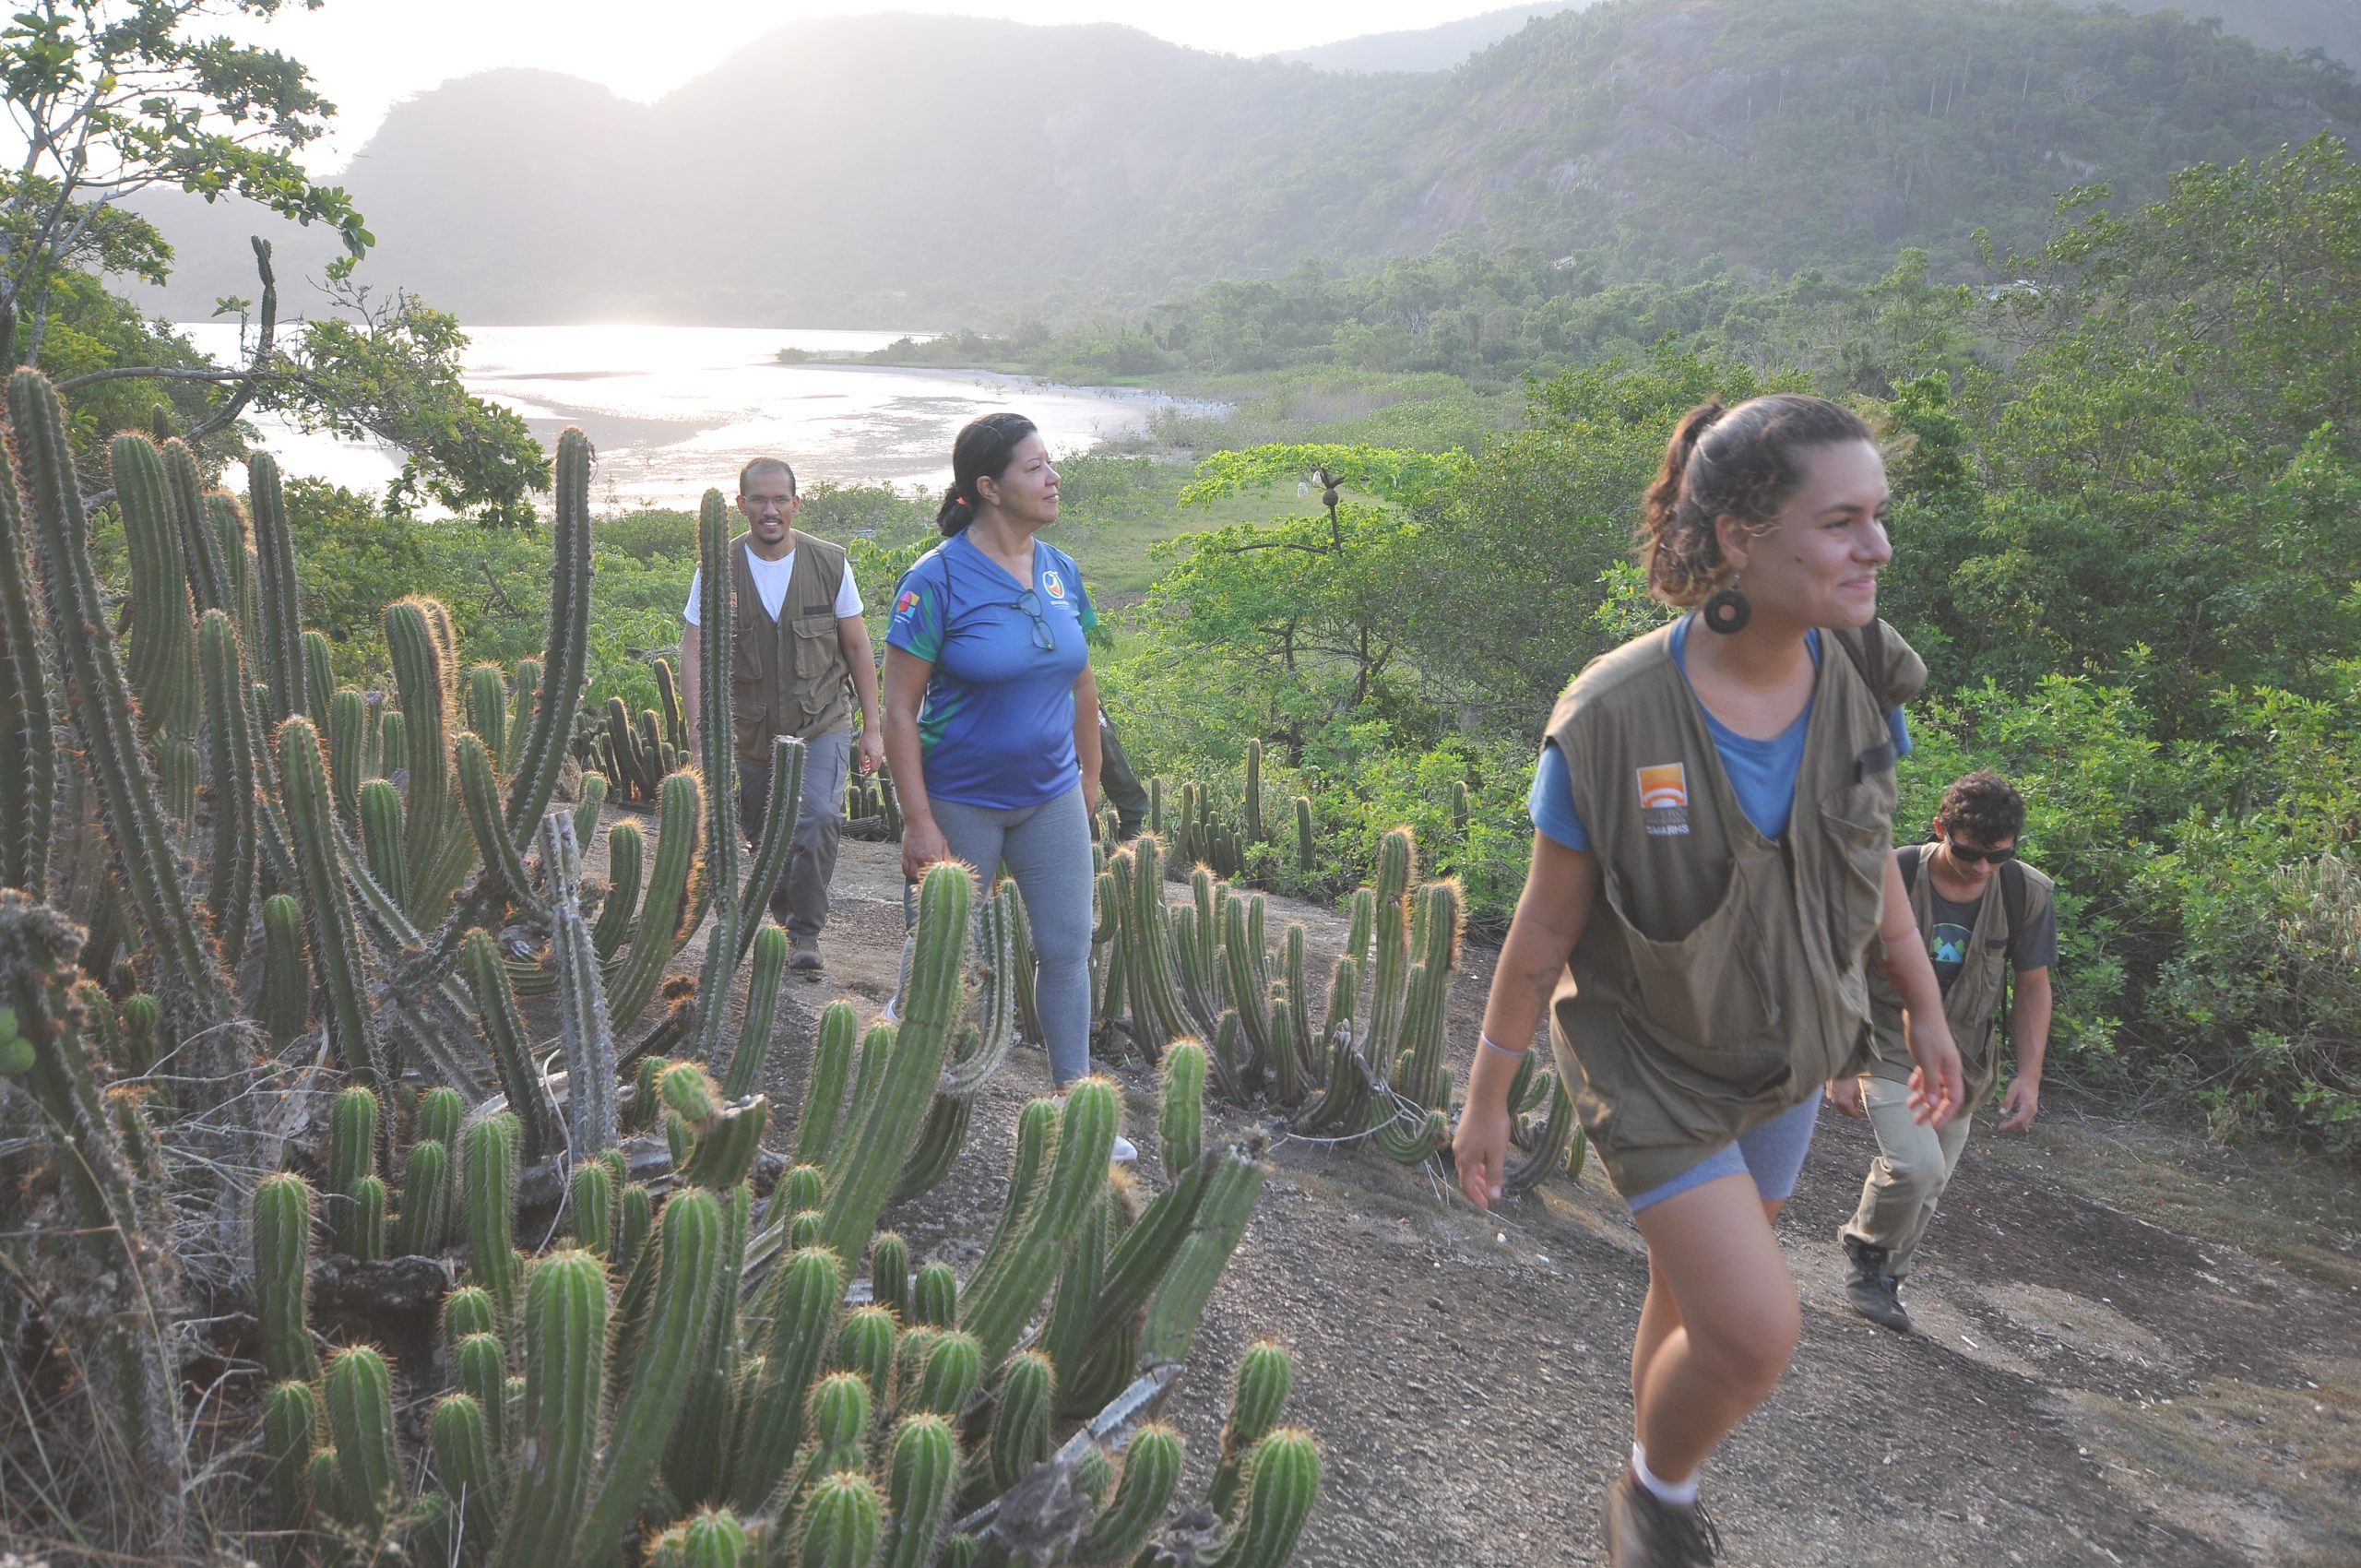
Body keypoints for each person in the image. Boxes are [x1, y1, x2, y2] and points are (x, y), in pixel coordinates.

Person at [1450, 394, 1965, 1568]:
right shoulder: (1612, 713)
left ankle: (1652, 1491)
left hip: (1787, 1051)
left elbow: (1868, 852)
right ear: (1740, 535)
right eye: (1841, 521)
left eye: (1878, 517)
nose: (1876, 547)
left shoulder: (1856, 677)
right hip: (1653, 1061)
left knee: (1689, 1304)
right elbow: (1542, 924)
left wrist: (1920, 1007)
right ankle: (1654, 1495)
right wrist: (1486, 1090)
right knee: (1749, 1332)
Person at [880, 412, 1135, 1163]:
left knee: (1065, 947)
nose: (1053, 478)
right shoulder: (935, 580)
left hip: (1051, 795)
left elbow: (1083, 680)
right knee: (943, 954)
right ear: (988, 488)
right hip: (961, 799)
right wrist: (917, 819)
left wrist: (1089, 776)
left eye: (1050, 463)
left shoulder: (1060, 567)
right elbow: (899, 708)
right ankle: (900, 1088)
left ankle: (1075, 1111)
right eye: (1034, 468)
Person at [1828, 768, 2057, 1331]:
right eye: (1970, 853)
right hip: (1884, 1042)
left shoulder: (2025, 891)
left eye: (1998, 856)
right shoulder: (1895, 873)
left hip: (1967, 1058)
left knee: (1932, 1184)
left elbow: (2032, 986)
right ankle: (1866, 1252)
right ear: (1940, 829)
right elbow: (1845, 966)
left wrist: (2029, 1077)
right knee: (1915, 1164)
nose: (1983, 869)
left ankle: (1887, 1282)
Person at [681, 457, 883, 973]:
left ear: (796, 503)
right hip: (751, 732)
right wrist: (701, 736)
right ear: (741, 504)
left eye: (779, 500)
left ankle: (805, 934)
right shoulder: (716, 567)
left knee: (818, 817)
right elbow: (693, 650)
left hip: (821, 723)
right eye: (758, 499)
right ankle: (780, 917)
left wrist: (873, 729)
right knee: (764, 835)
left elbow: (858, 648)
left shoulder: (830, 563)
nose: (769, 510)